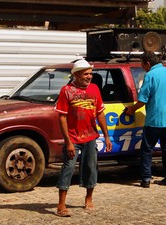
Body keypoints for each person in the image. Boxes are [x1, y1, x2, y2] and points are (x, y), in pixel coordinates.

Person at [54, 59, 112, 217]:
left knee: (91, 168)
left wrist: (106, 136)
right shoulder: (66, 91)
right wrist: (68, 142)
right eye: (86, 74)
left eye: (91, 74)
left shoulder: (94, 89)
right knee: (68, 168)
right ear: (77, 75)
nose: (89, 77)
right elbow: (62, 118)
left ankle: (88, 198)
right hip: (73, 138)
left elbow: (100, 113)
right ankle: (61, 205)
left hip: (90, 136)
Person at [125, 51, 166, 188]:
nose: (143, 68)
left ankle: (145, 179)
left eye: (143, 65)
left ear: (148, 63)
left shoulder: (150, 75)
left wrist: (131, 110)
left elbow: (142, 100)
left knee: (147, 150)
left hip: (154, 120)